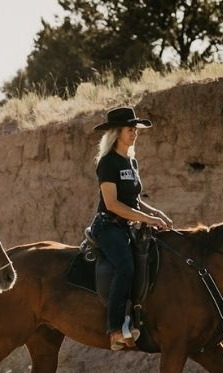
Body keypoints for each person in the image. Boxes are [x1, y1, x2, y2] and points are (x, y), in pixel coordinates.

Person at [90, 106, 173, 350]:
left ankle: (137, 317)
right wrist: (147, 220)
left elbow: (133, 199)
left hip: (127, 226)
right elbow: (112, 204)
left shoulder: (131, 161)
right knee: (125, 266)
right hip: (107, 226)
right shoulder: (107, 163)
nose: (134, 133)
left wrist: (155, 213)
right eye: (130, 129)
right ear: (116, 133)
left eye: (135, 129)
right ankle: (115, 329)